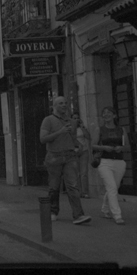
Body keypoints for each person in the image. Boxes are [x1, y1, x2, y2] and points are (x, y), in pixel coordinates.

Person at [39, 96, 91, 225]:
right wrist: (60, 131)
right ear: (54, 106)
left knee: (73, 186)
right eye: (60, 103)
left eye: (66, 103)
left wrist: (78, 145)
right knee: (54, 187)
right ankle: (53, 211)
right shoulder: (48, 120)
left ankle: (78, 215)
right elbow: (43, 139)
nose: (64, 105)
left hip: (70, 156)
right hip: (54, 156)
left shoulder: (71, 122)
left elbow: (72, 138)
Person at [91, 106, 128, 225]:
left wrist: (120, 148)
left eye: (109, 113)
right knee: (112, 187)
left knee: (113, 188)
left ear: (114, 116)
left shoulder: (121, 129)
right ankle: (117, 215)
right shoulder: (99, 130)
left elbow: (127, 146)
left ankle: (105, 208)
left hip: (119, 162)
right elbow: (92, 145)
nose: (106, 115)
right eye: (104, 113)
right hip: (104, 162)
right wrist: (104, 148)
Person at [73, 111, 92, 198]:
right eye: (74, 118)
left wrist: (83, 127)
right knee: (76, 172)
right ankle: (78, 192)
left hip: (84, 151)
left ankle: (85, 192)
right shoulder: (70, 128)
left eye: (77, 118)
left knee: (84, 173)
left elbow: (88, 137)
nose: (76, 120)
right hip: (74, 152)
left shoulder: (82, 128)